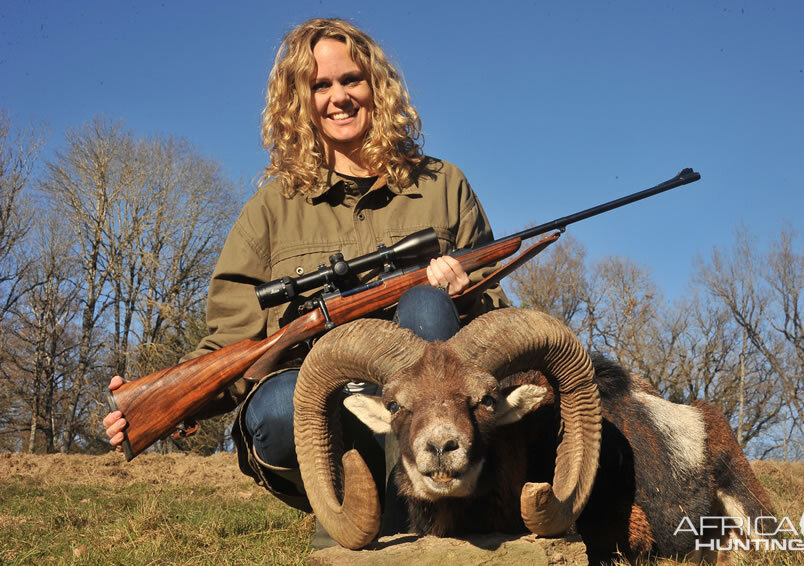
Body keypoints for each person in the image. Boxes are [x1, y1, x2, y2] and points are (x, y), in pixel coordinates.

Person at [102, 17, 507, 533]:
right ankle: (360, 511)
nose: (339, 97)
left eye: (351, 80)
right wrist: (160, 399)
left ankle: (432, 517)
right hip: (333, 409)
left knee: (426, 306)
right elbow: (230, 342)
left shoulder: (443, 184)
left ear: (377, 86)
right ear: (299, 101)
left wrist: (463, 296)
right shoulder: (271, 209)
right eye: (320, 85)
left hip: (435, 423)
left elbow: (499, 312)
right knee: (274, 408)